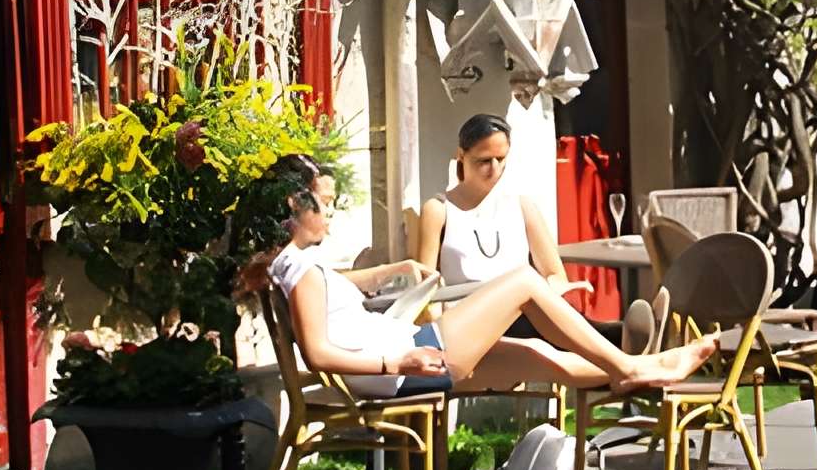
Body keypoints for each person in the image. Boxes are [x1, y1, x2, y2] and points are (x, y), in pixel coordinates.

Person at [260, 154, 713, 396]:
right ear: (294, 205)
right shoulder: (302, 271)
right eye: (327, 202)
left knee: (539, 355)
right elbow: (318, 354)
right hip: (409, 361)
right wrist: (396, 362)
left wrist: (393, 270)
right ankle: (631, 363)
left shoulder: (294, 265)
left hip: (408, 359)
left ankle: (646, 370)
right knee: (523, 281)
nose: (333, 212)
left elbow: (331, 288)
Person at [412, 113, 586, 294]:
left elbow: (554, 273)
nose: (494, 169)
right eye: (484, 161)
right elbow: (425, 289)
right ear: (461, 155)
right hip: (465, 314)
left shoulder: (521, 206)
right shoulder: (439, 210)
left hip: (519, 313)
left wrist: (554, 286)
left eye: (501, 159)